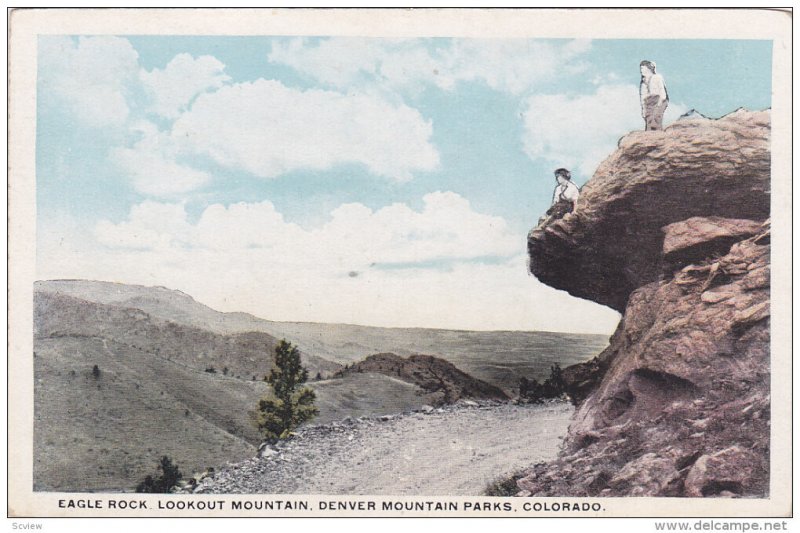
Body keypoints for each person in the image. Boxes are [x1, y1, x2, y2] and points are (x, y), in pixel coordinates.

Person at [639, 60, 669, 131]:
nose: (641, 71)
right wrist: (643, 109)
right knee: (649, 119)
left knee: (656, 118)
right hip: (649, 102)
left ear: (648, 68)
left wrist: (660, 102)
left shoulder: (657, 77)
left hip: (659, 100)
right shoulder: (643, 82)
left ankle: (657, 134)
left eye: (643, 68)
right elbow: (642, 96)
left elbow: (662, 91)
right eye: (641, 69)